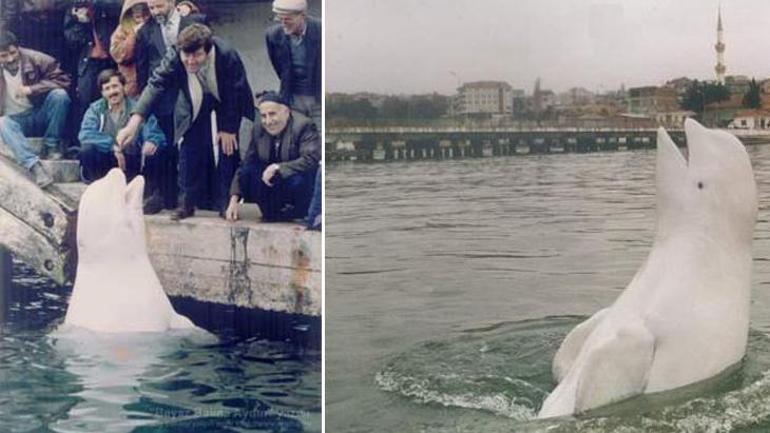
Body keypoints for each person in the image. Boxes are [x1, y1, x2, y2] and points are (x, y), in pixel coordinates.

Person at [118, 23, 254, 220]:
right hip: (195, 100)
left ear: (208, 50)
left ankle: (225, 203)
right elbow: (155, 84)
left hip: (226, 100)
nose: (190, 61)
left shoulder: (227, 55)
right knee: (189, 148)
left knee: (227, 147)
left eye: (197, 55)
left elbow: (236, 92)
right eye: (186, 56)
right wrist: (134, 122)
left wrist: (228, 127)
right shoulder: (175, 54)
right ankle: (186, 203)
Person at [135, 0, 205, 209]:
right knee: (165, 146)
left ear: (172, 2)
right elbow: (143, 68)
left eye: (159, 6)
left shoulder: (195, 21)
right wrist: (146, 101)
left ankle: (193, 197)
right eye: (152, 7)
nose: (156, 11)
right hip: (162, 97)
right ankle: (164, 197)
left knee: (193, 145)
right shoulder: (145, 31)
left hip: (193, 93)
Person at [78, 69, 166, 214]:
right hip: (110, 162)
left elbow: (154, 131)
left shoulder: (137, 108)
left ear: (123, 87)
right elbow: (85, 134)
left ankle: (148, 196)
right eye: (107, 89)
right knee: (87, 150)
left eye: (115, 86)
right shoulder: (96, 109)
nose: (112, 92)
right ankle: (100, 194)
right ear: (102, 93)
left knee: (155, 150)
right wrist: (113, 146)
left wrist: (151, 141)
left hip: (133, 160)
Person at [225, 91, 319, 223]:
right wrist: (234, 200)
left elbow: (311, 159)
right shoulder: (258, 128)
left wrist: (278, 167)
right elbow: (245, 164)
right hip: (272, 183)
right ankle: (271, 213)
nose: (268, 121)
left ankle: (298, 211)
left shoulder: (304, 126)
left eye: (272, 114)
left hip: (294, 179)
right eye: (263, 116)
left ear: (286, 112)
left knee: (299, 180)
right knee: (248, 173)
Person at [0, 31, 71, 187]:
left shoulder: (37, 59)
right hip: (14, 121)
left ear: (18, 48)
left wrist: (32, 89)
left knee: (59, 96)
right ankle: (34, 166)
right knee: (2, 122)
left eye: (13, 53)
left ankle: (51, 145)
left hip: (39, 114)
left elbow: (64, 81)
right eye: (3, 56)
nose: (10, 59)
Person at [265, 0, 321, 127]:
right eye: (280, 19)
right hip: (293, 97)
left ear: (302, 15)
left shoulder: (321, 30)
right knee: (297, 136)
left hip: (318, 96)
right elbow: (279, 68)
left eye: (288, 19)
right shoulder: (273, 35)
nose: (284, 24)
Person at [63, 0, 120, 119]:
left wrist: (95, 4)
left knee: (115, 99)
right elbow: (73, 42)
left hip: (112, 61)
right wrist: (81, 22)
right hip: (88, 62)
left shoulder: (106, 4)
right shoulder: (74, 8)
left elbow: (120, 7)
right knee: (85, 101)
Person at [110, 0, 151, 97]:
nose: (141, 17)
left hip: (153, 82)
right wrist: (134, 36)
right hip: (132, 86)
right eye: (137, 15)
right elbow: (118, 55)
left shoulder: (155, 27)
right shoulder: (121, 30)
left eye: (144, 13)